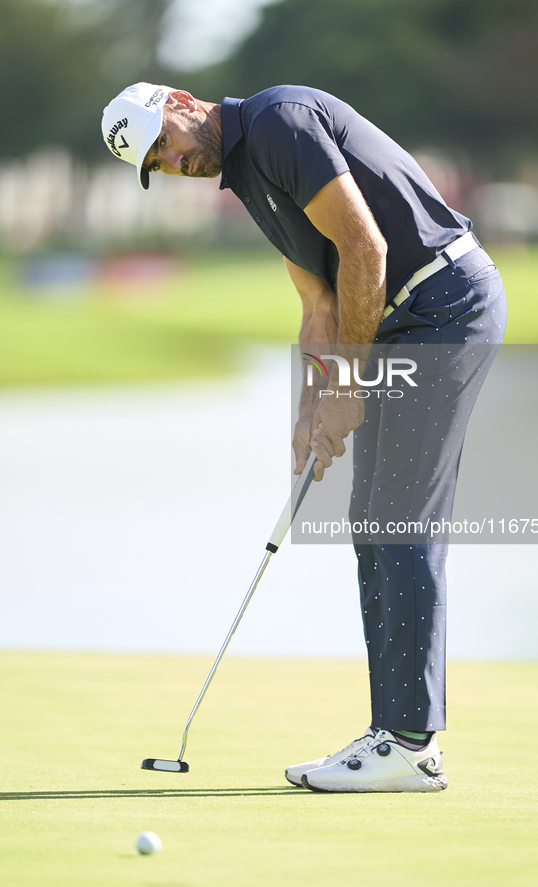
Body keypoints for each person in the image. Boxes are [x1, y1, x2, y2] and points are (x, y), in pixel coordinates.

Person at [102, 82, 507, 793]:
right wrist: (307, 410)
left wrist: (345, 388)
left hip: (443, 304)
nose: (171, 163)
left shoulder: (279, 123)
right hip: (401, 322)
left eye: (162, 143)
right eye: (156, 166)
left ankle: (409, 744)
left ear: (181, 101)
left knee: (397, 517)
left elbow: (364, 248)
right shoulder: (247, 178)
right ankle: (397, 733)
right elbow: (318, 299)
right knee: (373, 519)